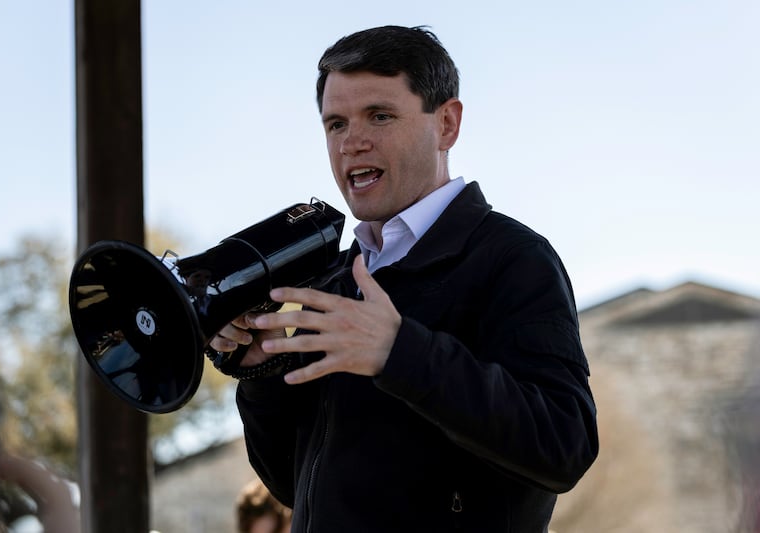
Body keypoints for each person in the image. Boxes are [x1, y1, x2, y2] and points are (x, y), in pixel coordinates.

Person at [211, 25, 598, 532]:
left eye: (380, 115)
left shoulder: (514, 258)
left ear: (447, 124)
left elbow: (563, 445)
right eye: (335, 124)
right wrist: (262, 375)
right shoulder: (330, 280)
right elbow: (292, 485)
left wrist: (400, 353)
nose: (352, 142)